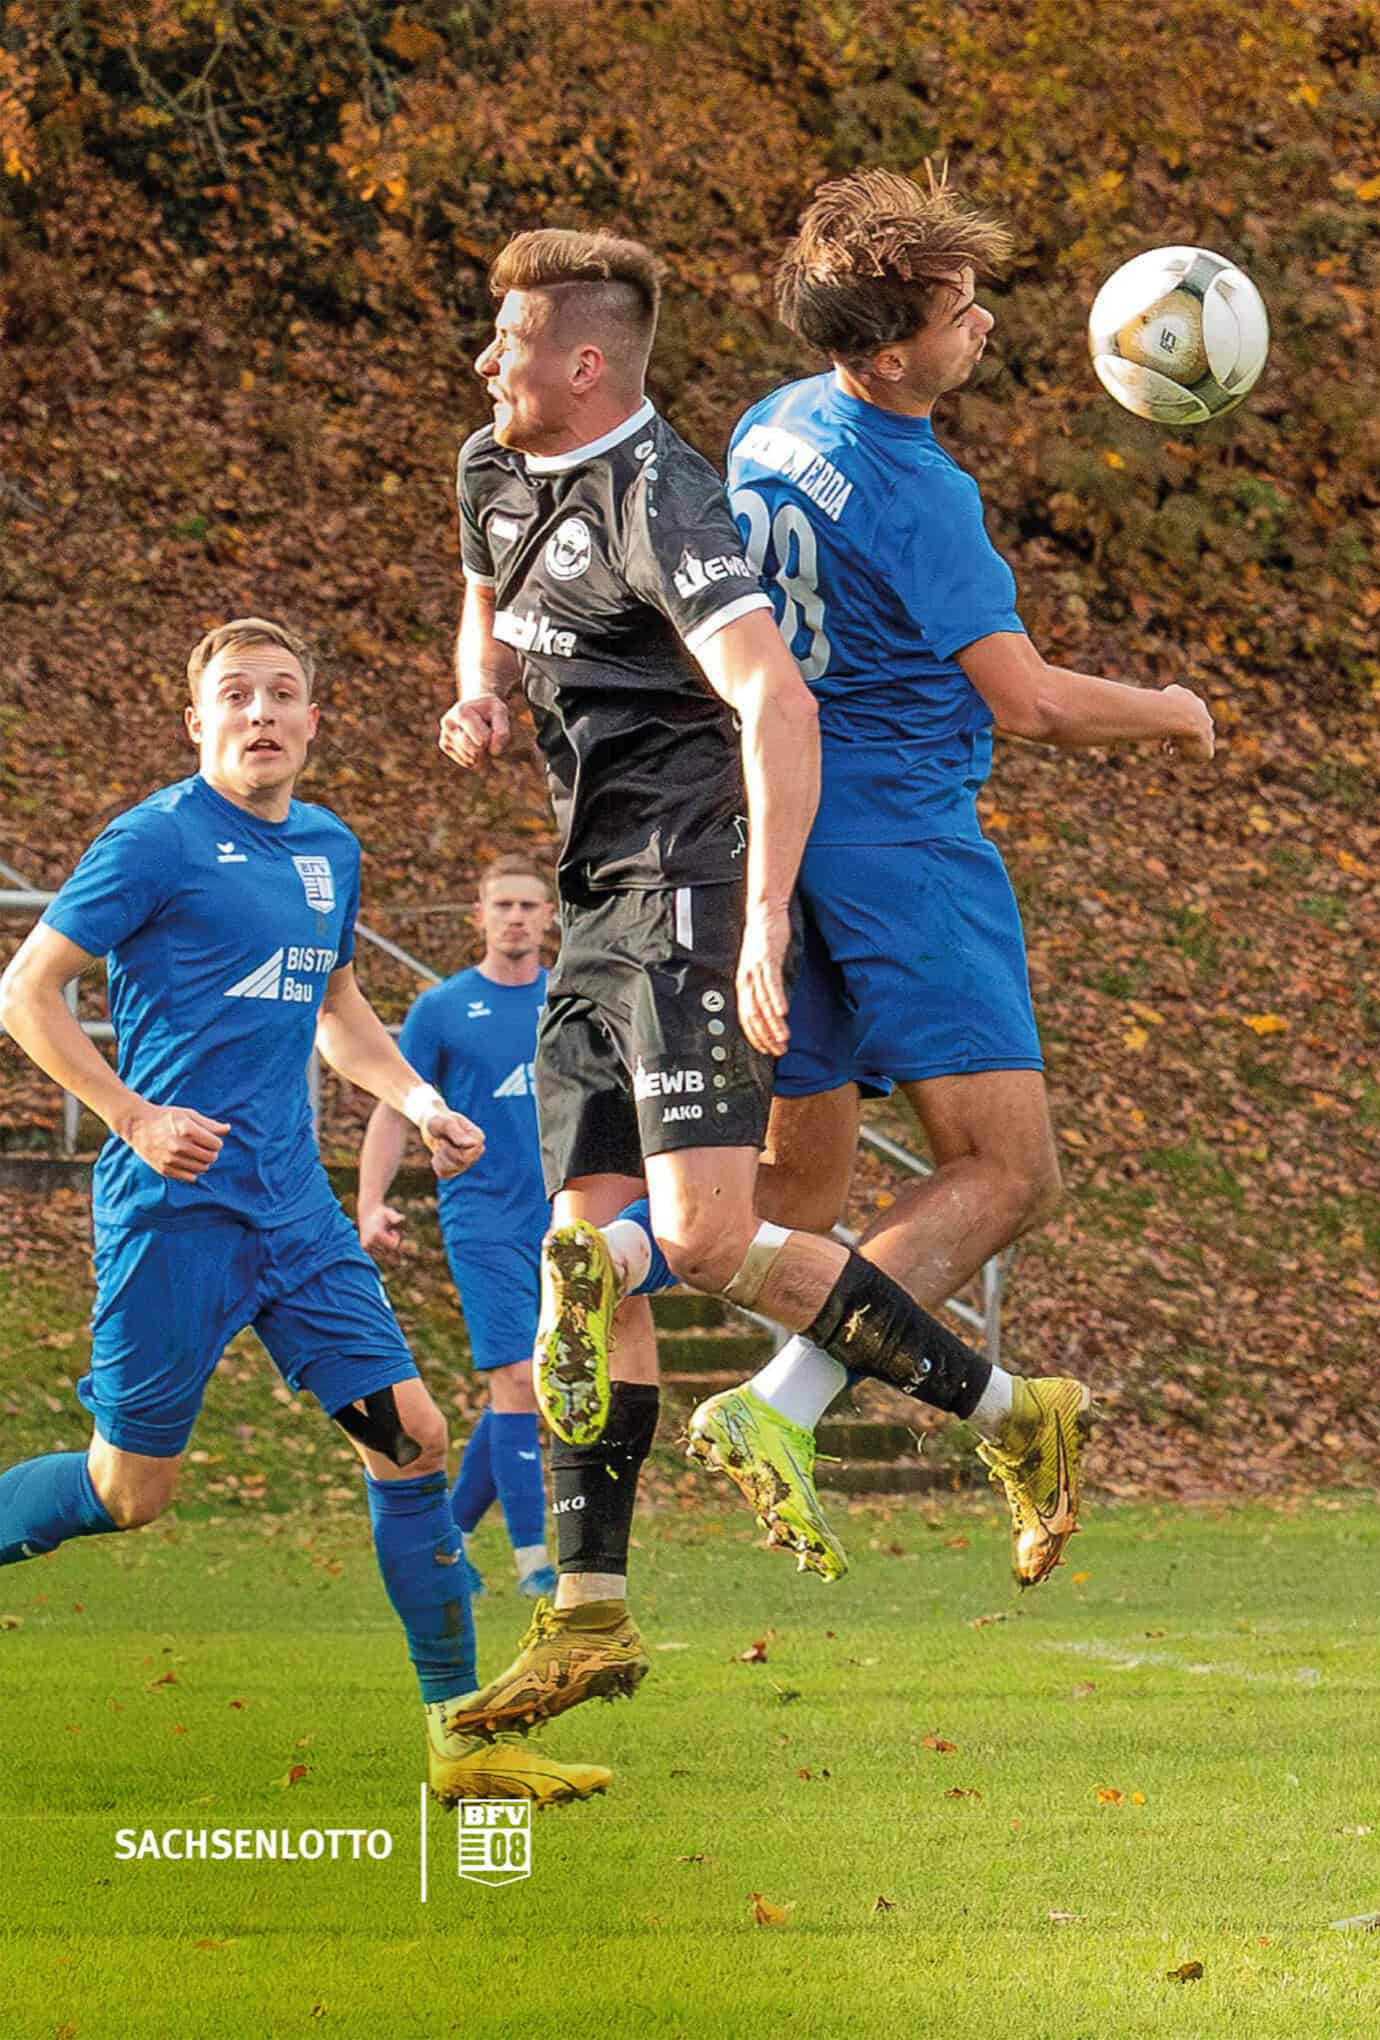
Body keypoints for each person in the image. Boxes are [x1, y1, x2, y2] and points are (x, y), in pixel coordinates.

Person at [437, 228, 1081, 1743]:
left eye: (508, 342)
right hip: (591, 900)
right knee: (581, 1266)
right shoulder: (489, 462)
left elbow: (775, 698)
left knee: (711, 1238)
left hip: (693, 889)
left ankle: (1011, 1413)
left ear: (583, 364)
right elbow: (484, 586)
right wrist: (479, 687)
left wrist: (761, 920)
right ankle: (587, 1618)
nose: (484, 364)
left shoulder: (666, 499)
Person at [680, 167, 1215, 1569]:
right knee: (1011, 1172)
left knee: (788, 1201)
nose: (980, 323)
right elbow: (1026, 700)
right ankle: (781, 1407)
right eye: (954, 308)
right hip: (903, 839)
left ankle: (607, 1253)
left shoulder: (769, 426)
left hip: (780, 826)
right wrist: (1172, 711)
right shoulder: (921, 492)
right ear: (886, 348)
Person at [0, 616, 608, 1809]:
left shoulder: (329, 849)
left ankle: (460, 1740)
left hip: (296, 1220)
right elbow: (27, 993)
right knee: (132, 1494)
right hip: (171, 1215)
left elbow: (336, 1013)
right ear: (198, 721)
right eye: (237, 695)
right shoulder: (154, 842)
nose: (262, 713)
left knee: (415, 1440)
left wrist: (420, 1098)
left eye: (283, 694)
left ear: (314, 722)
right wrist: (130, 1115)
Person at [358, 855, 558, 1600]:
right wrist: (371, 1202)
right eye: (501, 904)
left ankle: (446, 1540)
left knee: (522, 1393)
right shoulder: (442, 1009)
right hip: (481, 1220)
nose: (515, 917)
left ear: (548, 917)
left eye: (528, 905)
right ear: (478, 917)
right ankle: (536, 1562)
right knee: (516, 1378)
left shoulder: (571, 1003)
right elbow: (391, 1105)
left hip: (564, 1219)